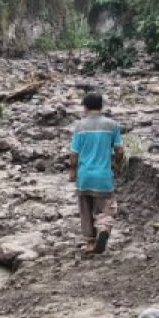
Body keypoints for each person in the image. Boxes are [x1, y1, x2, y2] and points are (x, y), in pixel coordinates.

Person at [69, 92, 125, 255]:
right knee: (106, 208)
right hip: (103, 177)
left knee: (85, 209)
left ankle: (89, 242)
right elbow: (120, 150)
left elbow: (73, 154)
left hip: (84, 176)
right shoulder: (112, 125)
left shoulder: (80, 127)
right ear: (101, 106)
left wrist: (72, 171)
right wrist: (117, 165)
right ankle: (103, 228)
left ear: (85, 107)